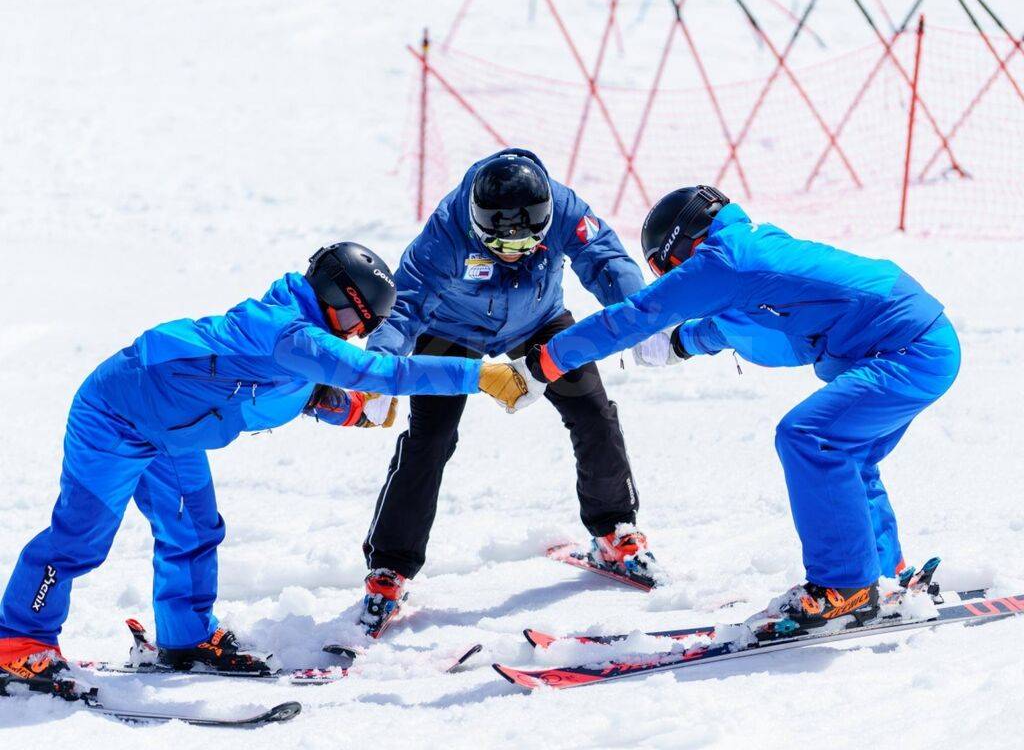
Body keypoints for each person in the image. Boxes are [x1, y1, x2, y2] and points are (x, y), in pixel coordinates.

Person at [0, 242, 528, 698]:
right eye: (350, 320)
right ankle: (18, 643)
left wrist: (344, 408)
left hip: (170, 430)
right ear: (332, 293)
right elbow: (378, 370)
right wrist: (476, 373)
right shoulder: (286, 330)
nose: (350, 335)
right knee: (81, 538)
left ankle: (185, 637)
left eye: (362, 329)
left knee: (193, 529)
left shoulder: (300, 336)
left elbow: (282, 390)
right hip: (115, 415)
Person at [522, 185, 960, 633]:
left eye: (664, 268)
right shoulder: (749, 248)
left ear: (680, 246)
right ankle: (883, 577)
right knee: (848, 457)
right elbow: (756, 329)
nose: (669, 278)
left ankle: (845, 589)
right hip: (917, 341)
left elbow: (636, 315)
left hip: (908, 348)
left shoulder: (724, 258)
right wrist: (680, 343)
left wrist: (546, 361)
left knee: (811, 437)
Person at [354, 148, 658, 637]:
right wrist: (380, 369)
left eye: (525, 241)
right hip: (452, 330)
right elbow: (406, 306)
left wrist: (642, 316)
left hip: (538, 320)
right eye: (499, 242)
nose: (513, 248)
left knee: (593, 412)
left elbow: (606, 262)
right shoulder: (446, 233)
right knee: (430, 440)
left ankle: (613, 532)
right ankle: (389, 570)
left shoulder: (566, 210)